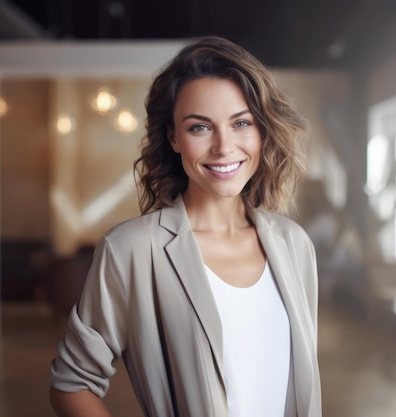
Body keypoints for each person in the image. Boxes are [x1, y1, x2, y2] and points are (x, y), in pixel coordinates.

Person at [50, 35, 322, 417]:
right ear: (173, 138)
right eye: (200, 128)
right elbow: (71, 385)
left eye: (241, 122)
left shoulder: (294, 244)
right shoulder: (132, 249)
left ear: (262, 130)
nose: (224, 147)